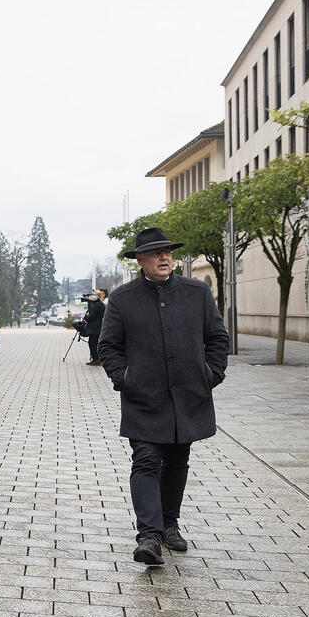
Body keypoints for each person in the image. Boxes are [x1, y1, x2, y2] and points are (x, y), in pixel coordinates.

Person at [98, 227, 230, 566]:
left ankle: (169, 524)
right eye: (156, 253)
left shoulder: (197, 292)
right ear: (140, 259)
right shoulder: (123, 298)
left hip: (188, 397)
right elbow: (108, 346)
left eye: (168, 252)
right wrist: (125, 378)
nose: (164, 257)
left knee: (176, 462)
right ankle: (150, 536)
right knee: (145, 460)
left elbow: (217, 339)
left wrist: (210, 374)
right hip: (144, 397)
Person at [84, 288, 107, 366]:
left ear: (97, 296)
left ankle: (96, 359)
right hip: (97, 326)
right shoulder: (100, 304)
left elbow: (91, 316)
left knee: (92, 344)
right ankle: (95, 359)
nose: (92, 296)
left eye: (94, 295)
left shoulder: (97, 305)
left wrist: (86, 316)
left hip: (95, 326)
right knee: (93, 343)